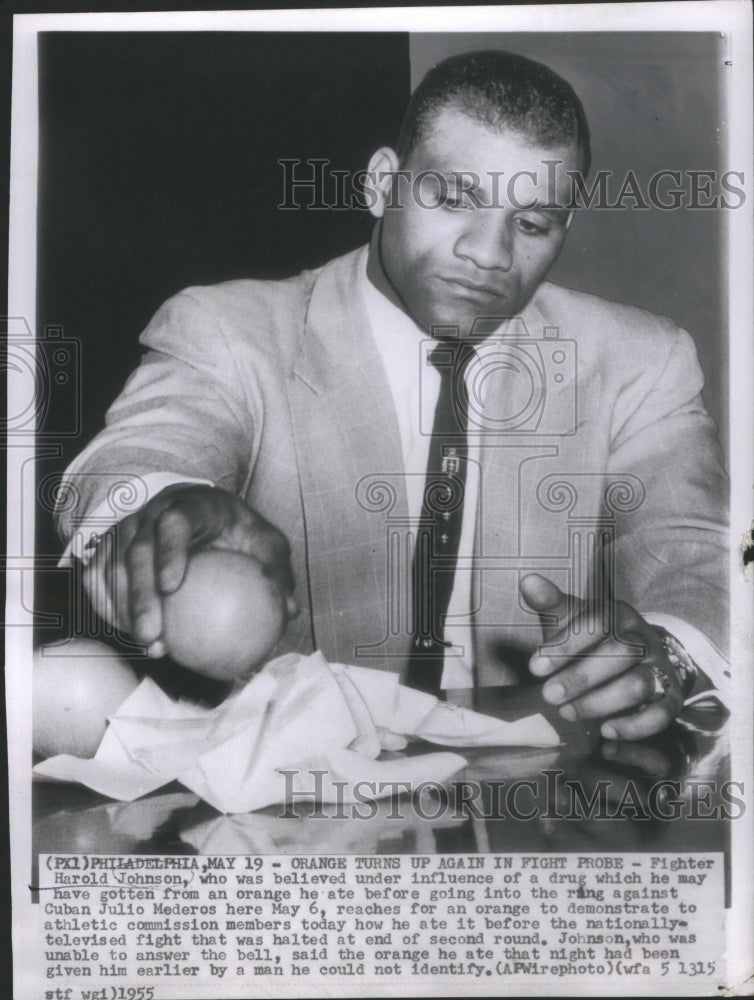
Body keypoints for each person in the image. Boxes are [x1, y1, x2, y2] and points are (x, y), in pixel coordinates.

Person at [56, 50, 730, 740]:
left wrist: (672, 652)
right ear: (383, 184)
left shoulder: (642, 360)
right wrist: (160, 505)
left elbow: (697, 552)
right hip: (297, 801)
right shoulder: (233, 333)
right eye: (455, 197)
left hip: (541, 801)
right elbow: (141, 449)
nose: (491, 254)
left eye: (532, 224)